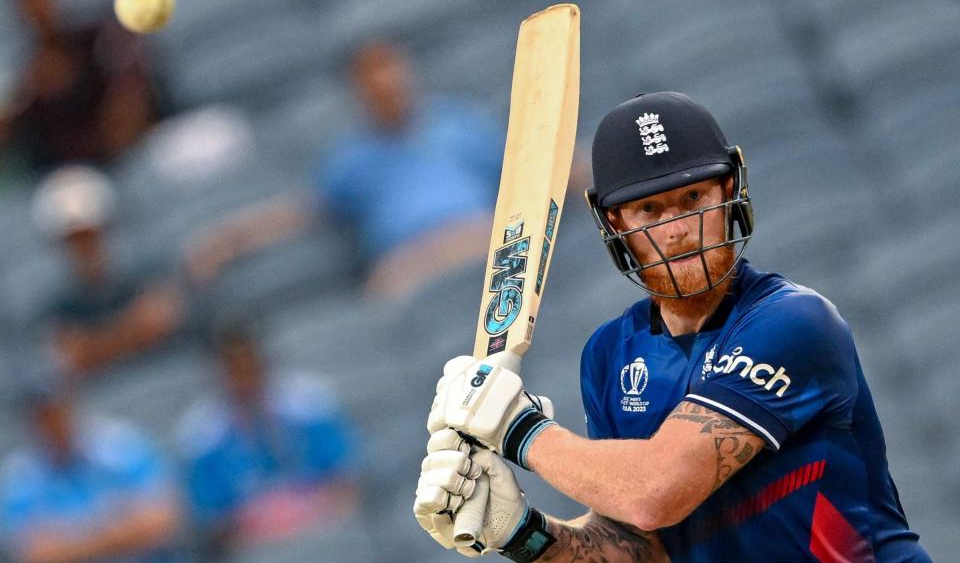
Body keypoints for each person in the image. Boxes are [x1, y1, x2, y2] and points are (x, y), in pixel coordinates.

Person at [414, 92, 931, 562]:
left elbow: (655, 491)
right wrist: (521, 533)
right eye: (650, 209)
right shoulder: (609, 355)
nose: (679, 230)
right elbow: (644, 550)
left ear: (729, 189)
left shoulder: (795, 322)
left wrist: (520, 431)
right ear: (615, 223)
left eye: (693, 199)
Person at [185, 40, 503, 298]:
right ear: (357, 91)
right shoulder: (350, 160)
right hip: (409, 265)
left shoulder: (461, 123)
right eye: (369, 74)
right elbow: (301, 212)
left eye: (389, 66)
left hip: (481, 240)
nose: (385, 81)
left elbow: (525, 175)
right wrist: (225, 241)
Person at [176, 321, 358, 558]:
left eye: (249, 364)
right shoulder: (200, 438)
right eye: (234, 368)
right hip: (259, 550)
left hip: (327, 532)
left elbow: (348, 485)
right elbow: (216, 524)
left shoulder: (312, 405)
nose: (245, 377)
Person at [0, 0, 163, 175]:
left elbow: (130, 110)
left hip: (142, 151)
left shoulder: (100, 38)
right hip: (78, 175)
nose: (38, 6)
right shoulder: (25, 80)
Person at [0, 375, 181, 562]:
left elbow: (161, 522)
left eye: (55, 411)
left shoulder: (121, 445)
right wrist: (119, 530)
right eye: (41, 416)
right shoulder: (19, 481)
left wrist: (71, 543)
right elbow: (36, 556)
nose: (52, 423)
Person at [33, 164, 185, 373]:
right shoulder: (56, 306)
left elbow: (162, 320)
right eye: (74, 239)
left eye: (90, 234)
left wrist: (96, 346)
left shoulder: (146, 270)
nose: (85, 246)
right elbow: (71, 359)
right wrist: (134, 330)